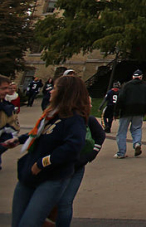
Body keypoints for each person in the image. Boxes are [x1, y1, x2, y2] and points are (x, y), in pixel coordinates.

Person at [6, 74, 88, 227]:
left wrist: (42, 163)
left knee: (29, 223)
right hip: (28, 176)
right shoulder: (52, 114)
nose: (50, 91)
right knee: (17, 222)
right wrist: (19, 140)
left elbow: (72, 148)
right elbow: (40, 133)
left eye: (55, 88)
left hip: (51, 177)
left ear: (64, 93)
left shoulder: (74, 119)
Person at [55, 102, 105, 227]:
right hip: (56, 166)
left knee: (64, 202)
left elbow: (100, 136)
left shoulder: (89, 119)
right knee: (53, 201)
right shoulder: (58, 117)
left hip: (75, 166)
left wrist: (90, 155)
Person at [114, 70, 146, 158]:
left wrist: (116, 112)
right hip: (140, 110)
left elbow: (120, 98)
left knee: (122, 131)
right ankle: (137, 143)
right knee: (137, 128)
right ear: (141, 77)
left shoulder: (127, 85)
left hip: (126, 110)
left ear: (133, 76)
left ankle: (121, 152)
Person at [1, 75, 21, 173]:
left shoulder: (7, 108)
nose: (7, 91)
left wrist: (4, 143)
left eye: (8, 88)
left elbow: (14, 128)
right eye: (4, 88)